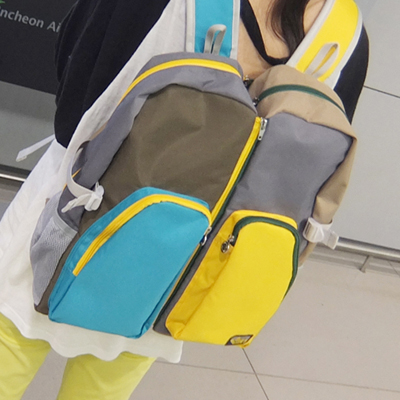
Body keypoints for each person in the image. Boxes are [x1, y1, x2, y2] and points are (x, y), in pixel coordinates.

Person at [0, 0, 368, 399]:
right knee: (104, 387)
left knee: (11, 350)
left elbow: (73, 112)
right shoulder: (346, 38)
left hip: (66, 224)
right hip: (175, 265)